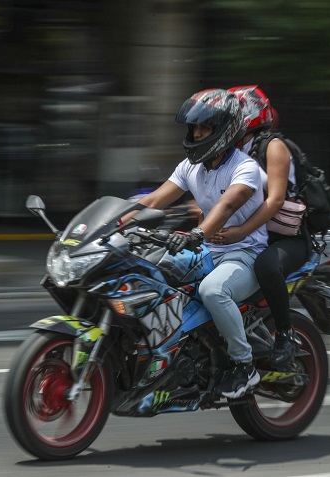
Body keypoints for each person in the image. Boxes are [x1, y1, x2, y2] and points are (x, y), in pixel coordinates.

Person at [133, 88, 268, 398]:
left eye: (204, 128)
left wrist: (198, 234)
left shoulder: (245, 168)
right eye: (194, 128)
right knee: (150, 272)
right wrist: (115, 222)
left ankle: (244, 366)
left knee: (212, 291)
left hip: (243, 254)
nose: (196, 134)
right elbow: (154, 199)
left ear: (223, 130)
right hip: (207, 251)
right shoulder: (190, 167)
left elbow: (227, 207)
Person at [210, 85, 310, 366]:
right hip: (254, 233)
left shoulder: (273, 147)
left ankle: (285, 334)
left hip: (284, 237)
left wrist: (240, 232)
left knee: (265, 266)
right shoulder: (230, 150)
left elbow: (276, 199)